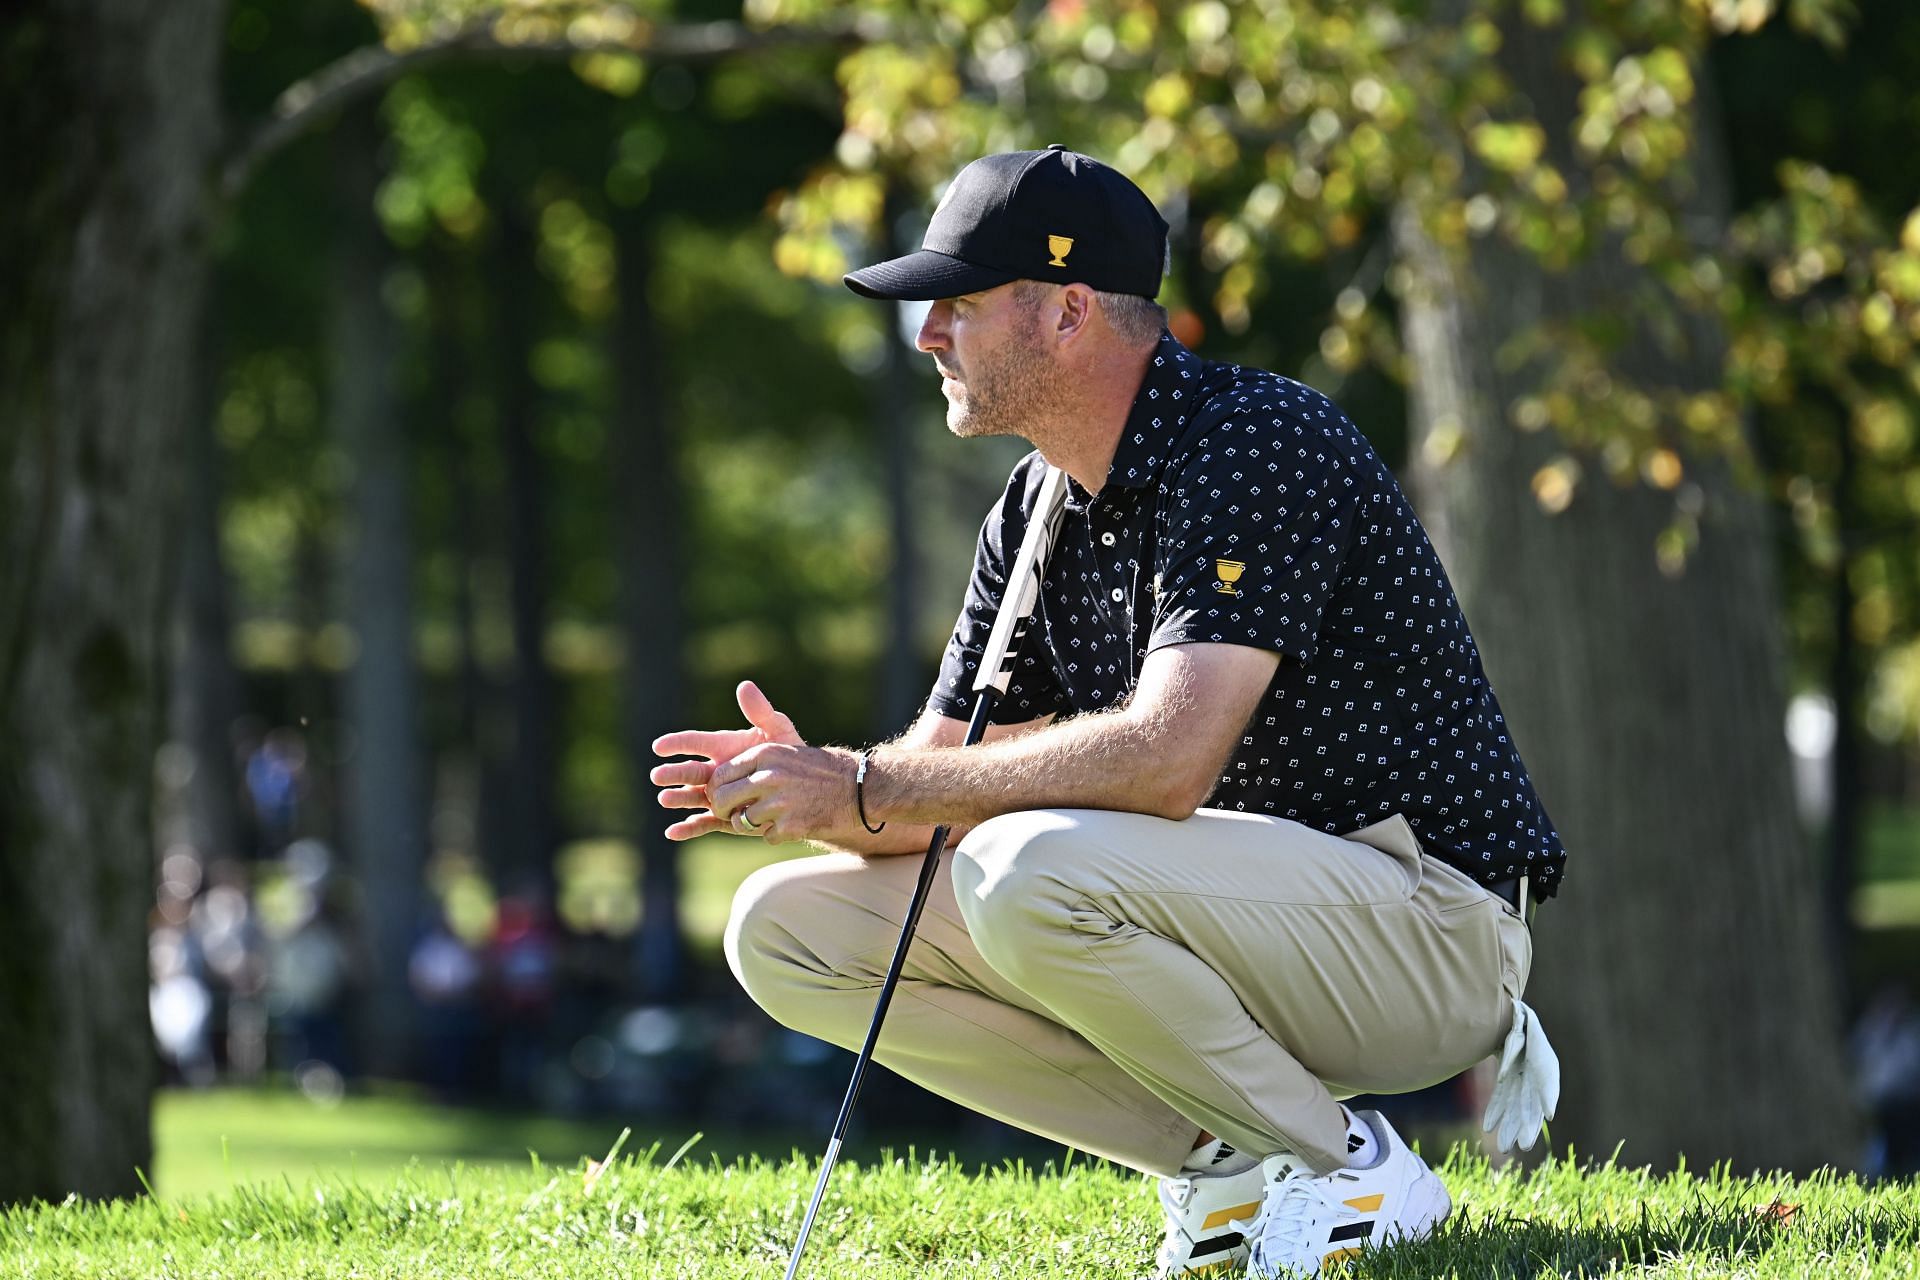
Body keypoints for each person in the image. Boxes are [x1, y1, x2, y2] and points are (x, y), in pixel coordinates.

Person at [652, 145, 1564, 1278]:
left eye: (959, 305)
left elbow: (1168, 758)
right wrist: (801, 793)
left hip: (1430, 930)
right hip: (1240, 921)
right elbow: (933, 786)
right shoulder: (1033, 506)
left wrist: (868, 784)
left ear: (1070, 310)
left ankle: (1349, 1165)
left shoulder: (1256, 439)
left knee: (1027, 868)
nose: (928, 334)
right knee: (786, 929)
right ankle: (1226, 1166)